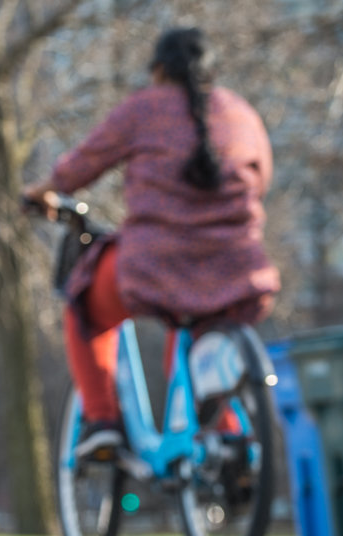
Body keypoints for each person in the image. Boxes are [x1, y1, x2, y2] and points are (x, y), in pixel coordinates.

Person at [22, 27, 280, 457]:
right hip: (236, 267)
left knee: (82, 300)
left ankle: (103, 422)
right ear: (211, 72)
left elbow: (82, 165)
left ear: (159, 70)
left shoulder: (144, 109)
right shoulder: (242, 114)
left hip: (154, 265)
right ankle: (227, 436)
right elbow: (262, 181)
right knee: (199, 338)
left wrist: (41, 192)